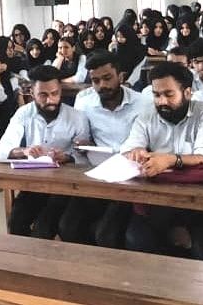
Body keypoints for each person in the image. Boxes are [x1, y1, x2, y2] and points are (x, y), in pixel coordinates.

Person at [121, 62, 203, 259]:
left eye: (169, 94)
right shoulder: (147, 116)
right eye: (156, 95)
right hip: (157, 198)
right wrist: (136, 152)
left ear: (187, 92)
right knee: (136, 238)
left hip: (199, 200)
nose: (162, 102)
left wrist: (169, 161)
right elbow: (128, 148)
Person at [59, 52, 150, 248]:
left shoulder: (143, 103)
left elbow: (148, 143)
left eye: (107, 78)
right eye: (95, 80)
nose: (102, 85)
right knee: (67, 226)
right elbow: (80, 137)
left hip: (131, 180)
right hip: (95, 176)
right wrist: (82, 144)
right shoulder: (84, 102)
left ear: (121, 77)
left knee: (106, 234)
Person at [0, 65, 89, 239]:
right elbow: (2, 150)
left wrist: (67, 157)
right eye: (43, 95)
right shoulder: (23, 113)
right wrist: (24, 151)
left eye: (54, 93)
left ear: (60, 90)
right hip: (34, 184)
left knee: (43, 228)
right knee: (16, 221)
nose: (50, 100)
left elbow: (86, 158)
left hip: (65, 188)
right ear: (32, 93)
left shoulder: (77, 117)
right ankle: (21, 264)